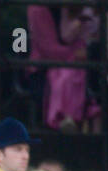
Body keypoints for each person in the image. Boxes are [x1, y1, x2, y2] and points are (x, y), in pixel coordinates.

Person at [27, 4, 100, 132]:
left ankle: (88, 132)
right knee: (68, 78)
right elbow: (49, 50)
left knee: (85, 78)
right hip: (45, 67)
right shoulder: (37, 9)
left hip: (77, 63)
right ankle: (65, 120)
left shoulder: (67, 7)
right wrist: (81, 54)